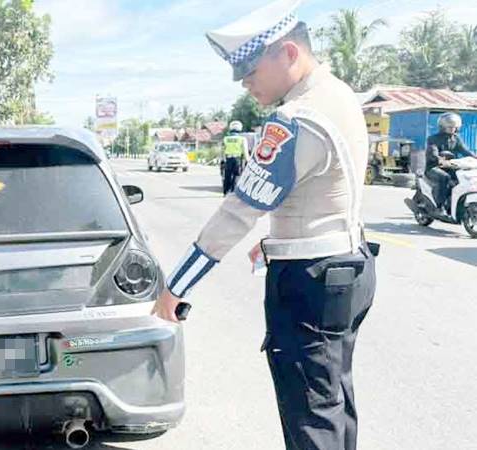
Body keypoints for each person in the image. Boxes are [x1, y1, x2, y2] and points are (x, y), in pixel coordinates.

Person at [151, 0, 378, 448]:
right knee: (334, 401)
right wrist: (279, 240)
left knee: (311, 417)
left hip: (310, 283)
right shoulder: (338, 95)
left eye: (250, 69)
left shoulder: (296, 119)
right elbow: (328, 191)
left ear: (289, 54)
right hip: (349, 264)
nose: (244, 82)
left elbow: (238, 211)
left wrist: (175, 288)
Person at [425, 112, 476, 211]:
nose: (452, 129)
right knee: (445, 177)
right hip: (434, 167)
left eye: (454, 127)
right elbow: (433, 153)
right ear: (442, 127)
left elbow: (465, 151)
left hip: (451, 166)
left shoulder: (456, 139)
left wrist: (475, 157)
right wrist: (440, 160)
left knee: (464, 178)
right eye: (449, 127)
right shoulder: (433, 139)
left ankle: (453, 203)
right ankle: (439, 206)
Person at [222, 120, 248, 195]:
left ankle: (225, 191)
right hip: (237, 160)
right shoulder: (242, 139)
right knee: (236, 175)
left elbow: (222, 150)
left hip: (228, 159)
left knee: (227, 175)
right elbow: (245, 152)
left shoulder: (226, 138)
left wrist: (223, 160)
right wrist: (248, 161)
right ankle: (233, 191)